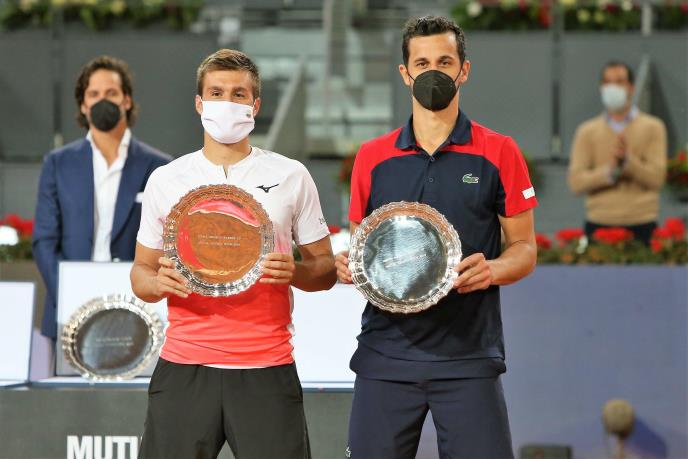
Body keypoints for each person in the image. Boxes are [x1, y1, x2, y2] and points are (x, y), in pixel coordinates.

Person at [335, 16, 538, 459]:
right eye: (421, 63)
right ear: (404, 73)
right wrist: (349, 267)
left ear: (464, 70)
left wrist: (492, 269)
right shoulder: (372, 157)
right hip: (385, 355)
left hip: (469, 357)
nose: (433, 72)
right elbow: (362, 248)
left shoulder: (499, 151)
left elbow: (525, 249)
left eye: (444, 62)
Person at [130, 49, 336, 459]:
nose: (227, 102)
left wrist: (295, 272)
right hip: (184, 366)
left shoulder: (291, 175)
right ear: (199, 103)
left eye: (238, 94)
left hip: (266, 367)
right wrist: (157, 282)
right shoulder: (166, 179)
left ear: (255, 105)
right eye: (216, 92)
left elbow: (326, 269)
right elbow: (141, 273)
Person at [33, 55, 171, 340]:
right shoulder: (57, 164)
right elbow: (44, 240)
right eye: (94, 94)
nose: (102, 101)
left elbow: (167, 242)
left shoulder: (159, 166)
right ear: (83, 106)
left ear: (127, 100)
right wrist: (68, 293)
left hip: (138, 308)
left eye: (111, 93)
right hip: (70, 309)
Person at [568, 61, 667, 245]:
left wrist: (628, 162)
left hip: (642, 222)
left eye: (619, 81)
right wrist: (610, 171)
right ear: (601, 87)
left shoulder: (653, 127)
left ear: (631, 87)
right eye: (607, 82)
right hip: (599, 222)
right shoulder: (586, 131)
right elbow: (576, 183)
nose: (612, 87)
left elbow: (657, 179)